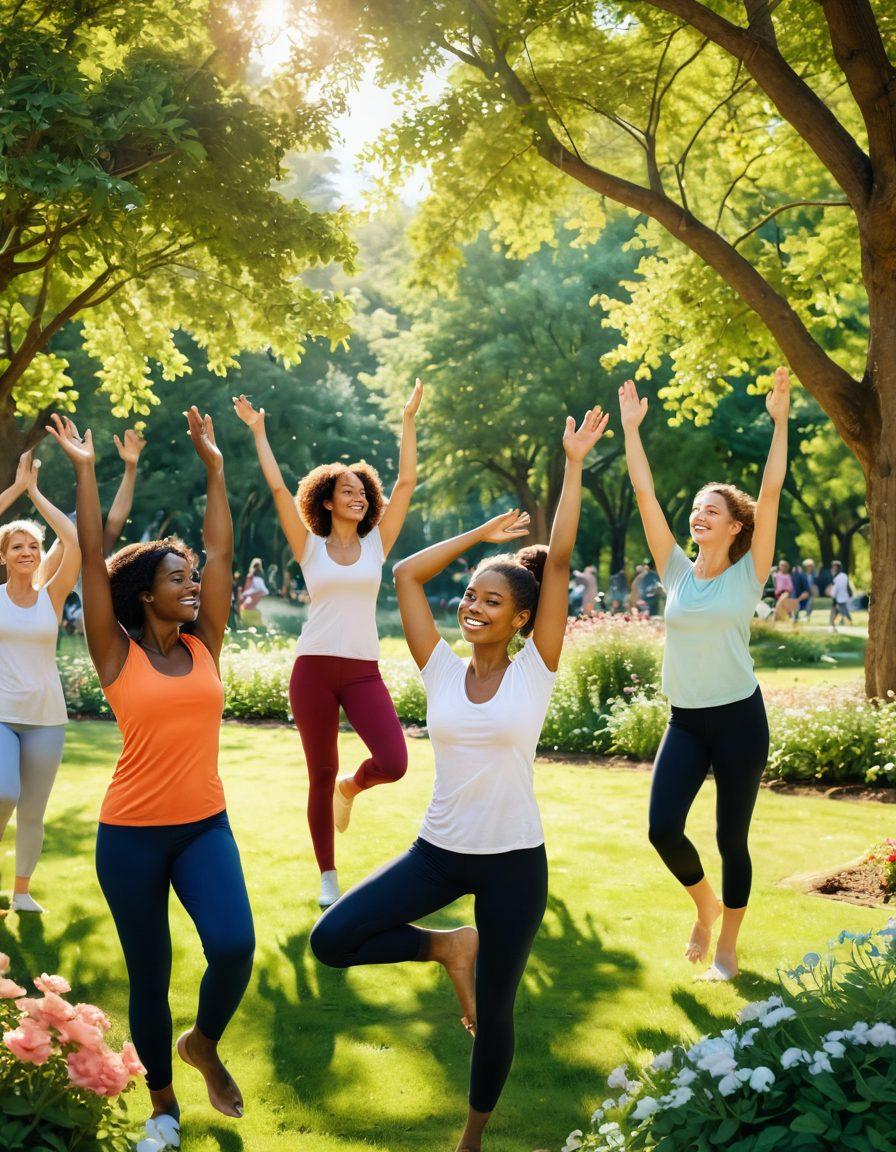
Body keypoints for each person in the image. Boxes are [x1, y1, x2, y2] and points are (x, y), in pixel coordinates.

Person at [310, 405, 609, 1152]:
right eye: (471, 596)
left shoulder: (536, 670)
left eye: (491, 600)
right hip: (438, 851)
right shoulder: (439, 668)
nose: (473, 606)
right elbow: (408, 573)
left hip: (513, 859)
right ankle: (446, 946)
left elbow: (562, 563)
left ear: (521, 620)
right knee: (334, 938)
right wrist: (480, 541)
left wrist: (572, 463)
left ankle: (471, 1138)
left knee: (498, 1010)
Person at [48, 410, 254, 1146]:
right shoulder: (115, 651)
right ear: (145, 594)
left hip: (204, 825)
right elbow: (95, 547)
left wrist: (217, 469)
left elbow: (223, 552)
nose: (193, 584)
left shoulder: (206, 645)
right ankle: (164, 1107)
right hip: (131, 835)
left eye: (191, 577)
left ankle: (203, 1042)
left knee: (233, 947)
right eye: (178, 579)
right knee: (150, 973)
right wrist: (84, 468)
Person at [619, 367, 790, 982]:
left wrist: (780, 423)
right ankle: (704, 906)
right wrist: (632, 431)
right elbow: (644, 495)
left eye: (711, 510)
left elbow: (769, 493)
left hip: (739, 719)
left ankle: (728, 946)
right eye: (695, 508)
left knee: (730, 838)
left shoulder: (749, 571)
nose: (698, 515)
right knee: (662, 827)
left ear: (734, 526)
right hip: (686, 721)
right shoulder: (675, 571)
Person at [233, 381, 423, 908]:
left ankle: (352, 788)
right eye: (347, 490)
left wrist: (407, 419)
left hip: (363, 670)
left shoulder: (376, 544)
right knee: (317, 772)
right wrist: (259, 431)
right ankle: (327, 875)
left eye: (363, 490)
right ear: (326, 500)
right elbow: (275, 489)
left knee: (394, 760)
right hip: (313, 669)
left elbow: (407, 481)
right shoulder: (309, 547)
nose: (358, 495)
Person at [0, 451, 81, 913]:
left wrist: (35, 493)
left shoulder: (53, 596)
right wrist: (14, 488)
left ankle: (22, 891)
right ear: (5, 557)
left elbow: (71, 540)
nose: (27, 552)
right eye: (17, 547)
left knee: (32, 810)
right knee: (3, 792)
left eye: (33, 546)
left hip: (47, 719)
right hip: (2, 715)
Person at [38, 427, 147, 586]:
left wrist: (130, 466)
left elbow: (115, 521)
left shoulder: (90, 573)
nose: (26, 553)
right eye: (65, 537)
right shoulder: (36, 596)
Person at [239, 557, 269, 627]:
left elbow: (247, 591)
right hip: (249, 602)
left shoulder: (254, 578)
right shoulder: (255, 577)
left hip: (249, 603)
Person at [829, 560, 854, 631]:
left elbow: (835, 590)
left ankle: (850, 622)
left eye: (835, 567)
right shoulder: (844, 576)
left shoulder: (838, 578)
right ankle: (833, 624)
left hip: (840, 598)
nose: (833, 569)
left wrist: (831, 594)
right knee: (838, 611)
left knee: (843, 611)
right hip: (842, 598)